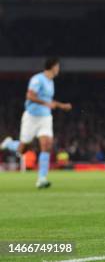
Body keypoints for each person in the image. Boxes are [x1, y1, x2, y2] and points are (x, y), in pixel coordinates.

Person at [0, 57, 72, 188]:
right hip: (31, 117)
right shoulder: (37, 79)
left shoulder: (51, 82)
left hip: (45, 118)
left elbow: (48, 100)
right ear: (52, 66)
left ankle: (42, 179)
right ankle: (9, 144)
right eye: (57, 66)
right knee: (23, 149)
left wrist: (62, 105)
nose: (59, 69)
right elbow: (30, 96)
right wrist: (45, 103)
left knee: (47, 145)